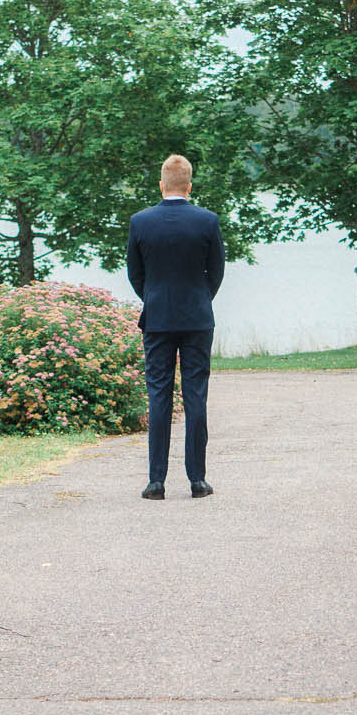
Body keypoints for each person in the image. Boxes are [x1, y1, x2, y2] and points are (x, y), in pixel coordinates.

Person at [125, 153, 224, 500]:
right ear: (189, 186)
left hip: (158, 319)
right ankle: (198, 480)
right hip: (197, 319)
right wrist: (199, 299)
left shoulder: (141, 222)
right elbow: (216, 273)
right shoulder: (207, 221)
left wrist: (154, 299)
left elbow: (135, 275)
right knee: (196, 396)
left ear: (162, 184)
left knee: (159, 396)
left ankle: (156, 482)